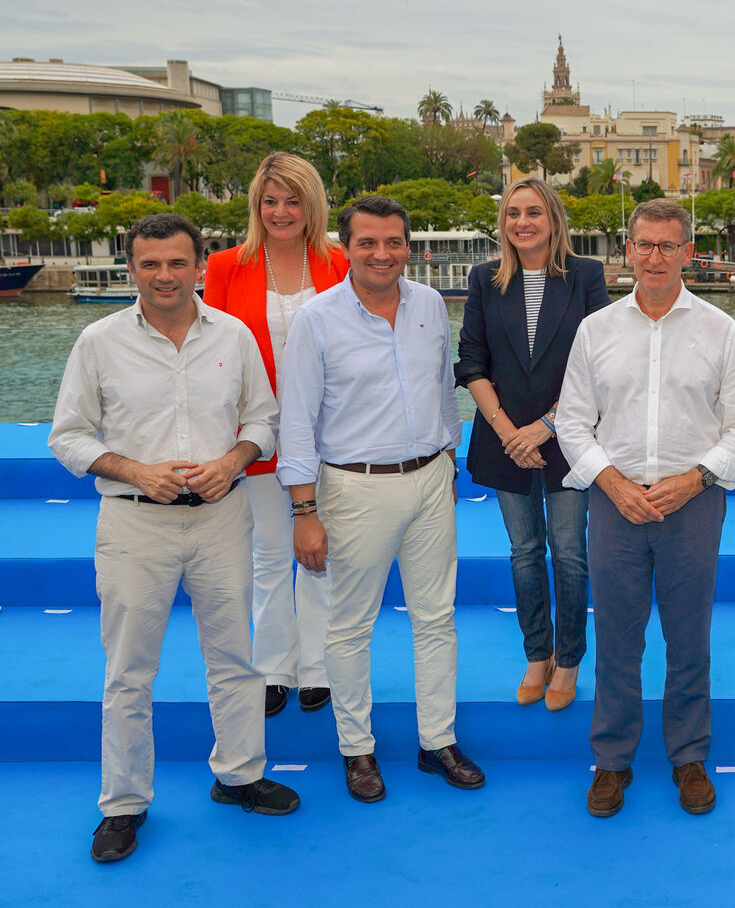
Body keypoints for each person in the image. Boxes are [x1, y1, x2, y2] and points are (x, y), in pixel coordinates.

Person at [50, 213, 299, 864]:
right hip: (133, 522)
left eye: (177, 262)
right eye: (150, 263)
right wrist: (136, 471)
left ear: (199, 267)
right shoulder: (98, 342)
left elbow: (263, 421)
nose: (165, 275)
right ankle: (123, 804)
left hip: (221, 516)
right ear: (131, 268)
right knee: (129, 671)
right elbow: (68, 437)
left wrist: (233, 460)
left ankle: (239, 774)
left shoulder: (235, 335)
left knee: (235, 658)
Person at [556, 198, 735, 819]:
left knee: (688, 637)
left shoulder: (721, 331)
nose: (654, 257)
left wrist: (695, 480)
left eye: (668, 245)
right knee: (617, 639)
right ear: (627, 251)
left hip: (692, 504)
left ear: (687, 253)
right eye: (644, 244)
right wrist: (613, 484)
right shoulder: (596, 331)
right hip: (614, 504)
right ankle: (611, 759)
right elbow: (573, 422)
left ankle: (689, 756)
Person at [277, 195, 482, 804]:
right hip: (354, 487)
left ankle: (437, 740)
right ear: (346, 248)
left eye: (393, 242)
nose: (382, 254)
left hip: (431, 480)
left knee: (436, 618)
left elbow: (442, 389)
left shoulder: (430, 305)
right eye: (367, 242)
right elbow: (296, 423)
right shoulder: (316, 320)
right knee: (350, 626)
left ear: (408, 247)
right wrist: (304, 511)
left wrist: (449, 459)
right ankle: (356, 749)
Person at [203, 152, 349, 717]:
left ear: (312, 205)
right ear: (256, 205)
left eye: (293, 200)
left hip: (332, 434)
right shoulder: (225, 266)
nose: (281, 212)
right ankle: (273, 668)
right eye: (270, 201)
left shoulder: (340, 262)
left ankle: (318, 666)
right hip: (258, 434)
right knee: (268, 551)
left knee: (322, 552)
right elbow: (212, 354)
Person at [456, 177, 608, 710]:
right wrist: (509, 434)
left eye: (533, 212)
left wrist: (547, 425)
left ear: (554, 219)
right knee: (524, 552)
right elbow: (471, 362)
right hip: (505, 442)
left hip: (568, 439)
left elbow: (600, 364)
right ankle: (537, 654)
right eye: (513, 212)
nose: (522, 222)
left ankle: (569, 659)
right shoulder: (484, 279)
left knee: (569, 552)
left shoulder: (586, 275)